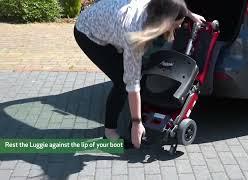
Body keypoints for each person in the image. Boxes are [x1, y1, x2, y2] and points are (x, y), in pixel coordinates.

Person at [74, 0, 205, 149]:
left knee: (134, 69)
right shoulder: (134, 33)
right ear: (165, 21)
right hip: (87, 32)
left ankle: (134, 113)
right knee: (122, 82)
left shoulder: (157, 5)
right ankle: (109, 134)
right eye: (177, 24)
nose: (180, 26)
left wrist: (189, 13)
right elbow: (132, 83)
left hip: (109, 22)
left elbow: (172, 3)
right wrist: (136, 123)